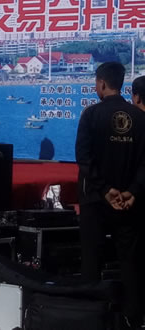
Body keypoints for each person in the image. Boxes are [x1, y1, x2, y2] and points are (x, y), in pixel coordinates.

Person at [75, 62, 145, 329]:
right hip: (128, 202)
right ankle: (133, 319)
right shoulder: (140, 118)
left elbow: (84, 158)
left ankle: (90, 319)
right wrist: (132, 191)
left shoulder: (91, 114)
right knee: (129, 262)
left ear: (102, 83)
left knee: (91, 260)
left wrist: (105, 189)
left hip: (95, 199)